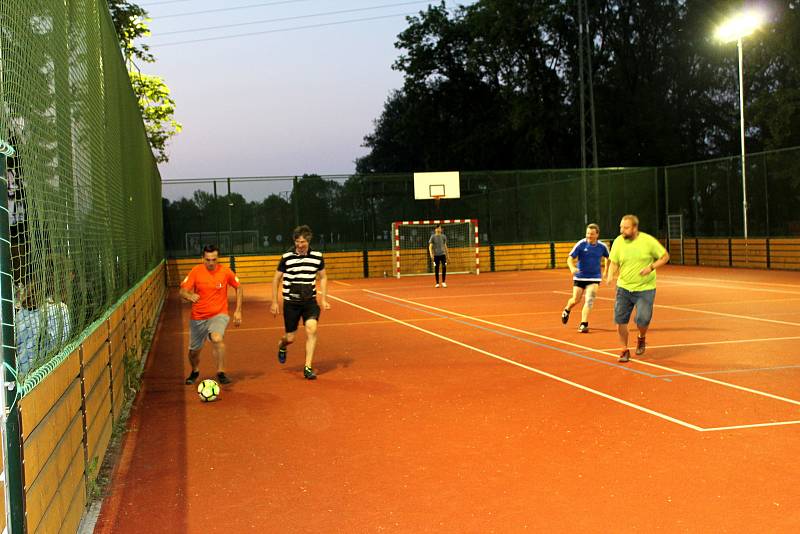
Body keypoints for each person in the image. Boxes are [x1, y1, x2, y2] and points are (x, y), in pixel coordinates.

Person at [606, 215, 669, 363]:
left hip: (645, 288)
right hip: (624, 288)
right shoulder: (618, 241)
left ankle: (641, 338)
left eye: (626, 228)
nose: (622, 230)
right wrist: (610, 274)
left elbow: (665, 256)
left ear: (634, 228)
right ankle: (624, 350)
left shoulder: (648, 241)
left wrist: (651, 267)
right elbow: (614, 261)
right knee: (620, 320)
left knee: (643, 319)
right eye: (621, 227)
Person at [270, 225, 331, 380]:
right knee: (290, 338)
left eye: (302, 242)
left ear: (308, 241)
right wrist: (274, 302)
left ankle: (307, 367)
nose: (299, 245)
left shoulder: (317, 256)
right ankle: (282, 346)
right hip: (291, 303)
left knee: (312, 329)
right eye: (297, 241)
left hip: (309, 301)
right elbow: (276, 278)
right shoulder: (286, 257)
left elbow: (323, 277)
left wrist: (323, 299)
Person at [179, 244, 242, 385]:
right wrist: (189, 296)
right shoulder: (195, 271)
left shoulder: (225, 272)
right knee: (193, 352)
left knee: (217, 338)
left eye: (214, 259)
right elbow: (182, 291)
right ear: (203, 259)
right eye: (208, 259)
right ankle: (195, 370)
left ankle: (221, 372)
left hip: (219, 314)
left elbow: (239, 287)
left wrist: (238, 310)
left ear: (218, 258)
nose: (211, 263)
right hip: (198, 317)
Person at [561, 223, 609, 333]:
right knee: (575, 300)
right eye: (587, 233)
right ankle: (567, 309)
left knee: (589, 300)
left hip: (594, 277)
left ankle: (583, 324)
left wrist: (606, 270)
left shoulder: (602, 246)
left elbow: (608, 257)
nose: (589, 236)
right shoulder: (581, 244)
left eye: (592, 234)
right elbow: (569, 258)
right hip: (580, 277)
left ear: (597, 234)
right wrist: (572, 268)